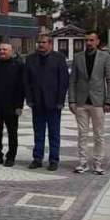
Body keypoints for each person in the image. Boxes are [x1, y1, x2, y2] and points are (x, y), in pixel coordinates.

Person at [68, 31, 110, 175]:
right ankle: (83, 163)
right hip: (81, 102)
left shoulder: (105, 57)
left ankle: (98, 163)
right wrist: (71, 100)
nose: (88, 43)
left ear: (97, 41)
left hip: (98, 102)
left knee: (99, 134)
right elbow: (72, 81)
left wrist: (109, 101)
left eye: (91, 40)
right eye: (86, 40)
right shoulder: (78, 57)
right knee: (82, 134)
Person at [23, 33, 69, 171]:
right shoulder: (30, 59)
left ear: (50, 44)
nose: (41, 45)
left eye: (43, 42)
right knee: (38, 132)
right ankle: (37, 158)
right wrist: (29, 99)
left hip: (54, 103)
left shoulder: (59, 58)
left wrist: (61, 100)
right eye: (39, 42)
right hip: (37, 102)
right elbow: (26, 81)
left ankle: (54, 159)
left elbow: (64, 81)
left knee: (54, 133)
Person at [0, 43, 25, 168]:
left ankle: (11, 157)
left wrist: (19, 106)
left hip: (12, 106)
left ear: (11, 51)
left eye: (4, 49)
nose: (2, 51)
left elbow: (21, 87)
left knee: (12, 133)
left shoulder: (18, 66)